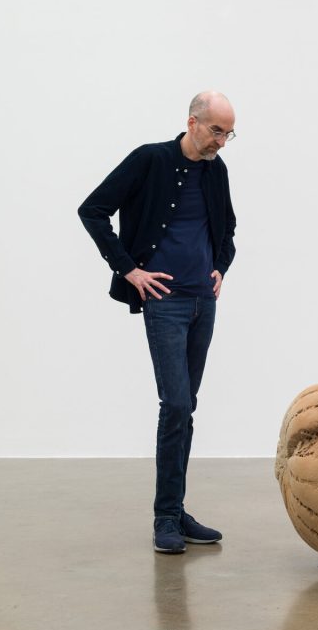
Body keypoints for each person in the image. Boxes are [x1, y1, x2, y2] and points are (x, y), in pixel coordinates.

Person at [78, 91, 238, 554]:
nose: (223, 142)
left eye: (229, 133)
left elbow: (227, 226)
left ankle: (177, 508)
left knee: (187, 407)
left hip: (201, 303)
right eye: (216, 131)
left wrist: (220, 267)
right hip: (164, 304)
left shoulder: (216, 170)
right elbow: (93, 210)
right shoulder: (150, 160)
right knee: (176, 405)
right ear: (192, 122)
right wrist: (128, 269)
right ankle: (165, 517)